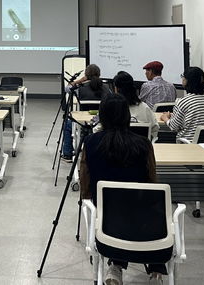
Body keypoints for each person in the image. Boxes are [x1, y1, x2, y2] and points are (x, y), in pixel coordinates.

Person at [78, 93, 164, 285]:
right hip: (143, 217)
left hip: (107, 217)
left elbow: (86, 185)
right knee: (151, 210)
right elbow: (152, 183)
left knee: (121, 210)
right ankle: (156, 270)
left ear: (103, 116)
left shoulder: (91, 143)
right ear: (127, 115)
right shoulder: (144, 144)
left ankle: (115, 267)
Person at [61, 64, 111, 162]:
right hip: (102, 122)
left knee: (68, 124)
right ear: (99, 74)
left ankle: (67, 154)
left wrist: (79, 80)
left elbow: (67, 89)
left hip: (83, 123)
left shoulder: (81, 88)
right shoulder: (107, 88)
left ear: (86, 75)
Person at [159, 66, 204, 141]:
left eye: (183, 76)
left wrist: (166, 118)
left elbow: (174, 127)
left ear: (186, 81)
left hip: (188, 144)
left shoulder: (183, 101)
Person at [113, 71, 159, 140]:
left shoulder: (112, 108)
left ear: (116, 89)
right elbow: (155, 129)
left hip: (117, 149)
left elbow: (98, 130)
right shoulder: (145, 108)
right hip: (141, 148)